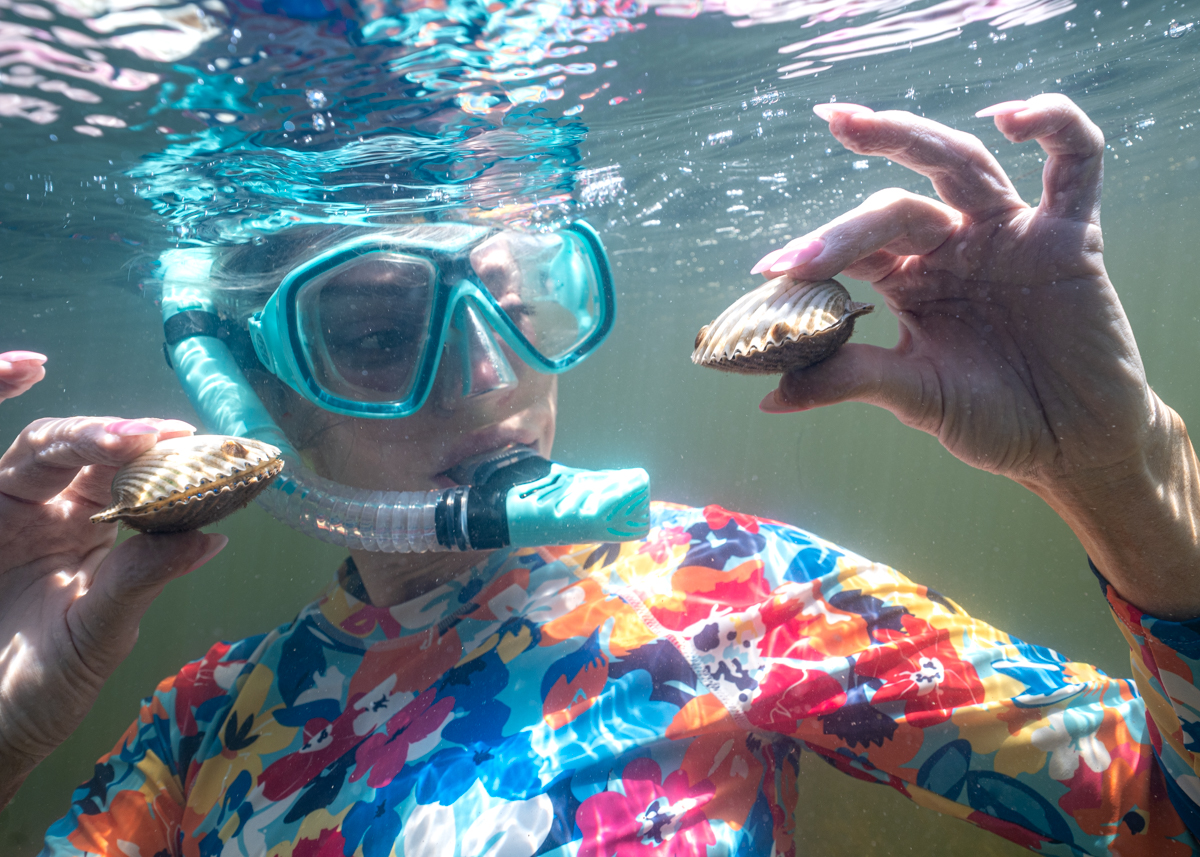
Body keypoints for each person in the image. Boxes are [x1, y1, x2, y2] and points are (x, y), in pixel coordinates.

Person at [4, 94, 1200, 856]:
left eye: (527, 303)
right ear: (260, 392)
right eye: (375, 334)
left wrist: (1121, 477)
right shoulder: (201, 720)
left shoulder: (730, 589)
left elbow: (1161, 815)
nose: (487, 374)